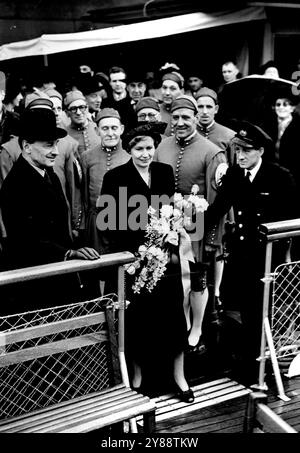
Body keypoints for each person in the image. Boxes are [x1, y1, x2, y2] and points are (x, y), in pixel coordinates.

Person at [98, 121, 194, 402]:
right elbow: (107, 222)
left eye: (150, 148)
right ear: (130, 150)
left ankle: (179, 376)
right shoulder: (115, 177)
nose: (145, 154)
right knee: (138, 321)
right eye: (139, 149)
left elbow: (172, 210)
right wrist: (139, 243)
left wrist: (170, 235)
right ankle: (138, 376)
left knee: (173, 318)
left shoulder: (164, 172)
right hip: (135, 260)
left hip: (165, 260)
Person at [206, 121, 297, 385]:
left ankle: (256, 367)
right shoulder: (235, 175)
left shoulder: (279, 177)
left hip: (267, 257)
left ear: (260, 151)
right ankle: (249, 364)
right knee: (244, 311)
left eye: (247, 151)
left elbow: (290, 218)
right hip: (241, 255)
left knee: (260, 312)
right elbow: (217, 209)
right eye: (238, 150)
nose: (241, 156)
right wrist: (187, 219)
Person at [0, 107, 100, 312]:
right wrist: (69, 253)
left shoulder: (48, 172)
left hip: (56, 274)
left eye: (55, 144)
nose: (55, 150)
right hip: (36, 284)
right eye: (48, 145)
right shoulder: (16, 184)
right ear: (27, 147)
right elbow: (28, 240)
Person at [155, 95, 227, 352]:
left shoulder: (212, 152)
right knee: (172, 280)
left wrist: (211, 242)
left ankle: (196, 327)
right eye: (175, 117)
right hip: (167, 225)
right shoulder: (161, 147)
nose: (180, 122)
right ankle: (178, 326)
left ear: (196, 118)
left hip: (198, 228)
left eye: (186, 117)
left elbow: (218, 203)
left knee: (197, 280)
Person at [195, 86, 235, 312]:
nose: (204, 111)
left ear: (216, 109)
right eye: (200, 106)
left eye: (208, 106)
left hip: (219, 198)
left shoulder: (228, 136)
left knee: (217, 246)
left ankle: (217, 291)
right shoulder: (190, 133)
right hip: (197, 198)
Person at [81, 108, 130, 251]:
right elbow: (84, 194)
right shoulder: (87, 156)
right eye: (105, 128)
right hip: (96, 221)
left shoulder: (130, 155)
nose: (110, 133)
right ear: (97, 131)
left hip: (125, 220)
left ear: (121, 129)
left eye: (114, 128)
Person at [64, 90, 101, 156]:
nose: (78, 112)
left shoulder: (99, 128)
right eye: (73, 109)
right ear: (67, 113)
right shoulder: (65, 135)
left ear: (87, 109)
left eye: (82, 107)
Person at [159, 71, 184, 136]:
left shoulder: (186, 111)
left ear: (181, 91)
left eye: (172, 89)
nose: (167, 93)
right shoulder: (155, 111)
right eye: (164, 88)